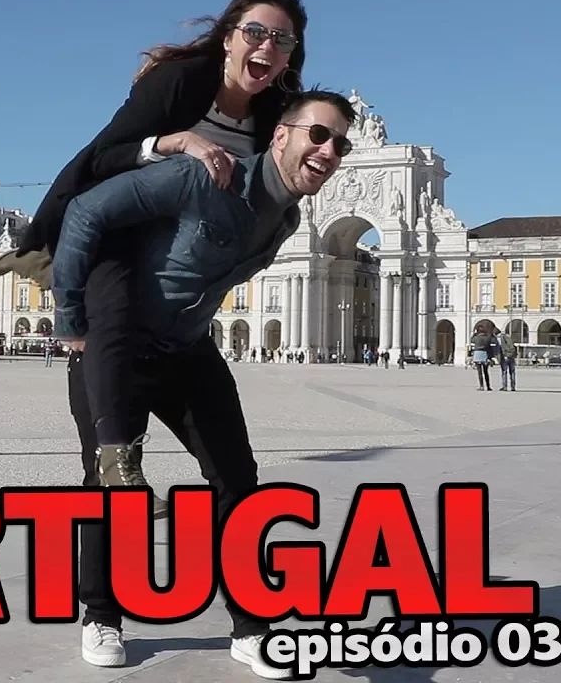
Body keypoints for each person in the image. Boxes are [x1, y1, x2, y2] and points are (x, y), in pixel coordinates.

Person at [53, 89, 356, 679]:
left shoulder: (287, 219)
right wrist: (71, 321)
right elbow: (86, 211)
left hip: (189, 350)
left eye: (340, 145)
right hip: (119, 346)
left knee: (237, 480)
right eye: (318, 134)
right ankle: (101, 615)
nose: (328, 151)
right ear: (281, 136)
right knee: (108, 482)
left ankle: (250, 625)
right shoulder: (202, 176)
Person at [0, 0, 310, 513]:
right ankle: (118, 463)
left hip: (180, 279)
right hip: (116, 226)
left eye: (283, 40)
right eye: (255, 32)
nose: (268, 46)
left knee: (236, 478)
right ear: (228, 37)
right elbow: (102, 158)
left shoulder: (275, 113)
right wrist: (175, 142)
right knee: (113, 310)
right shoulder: (182, 80)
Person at [471, 323, 495, 391]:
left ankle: (481, 386)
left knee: (479, 372)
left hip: (477, 355)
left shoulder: (476, 338)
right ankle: (488, 386)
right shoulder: (487, 338)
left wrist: (474, 334)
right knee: (486, 372)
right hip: (485, 354)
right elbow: (492, 341)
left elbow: (471, 340)